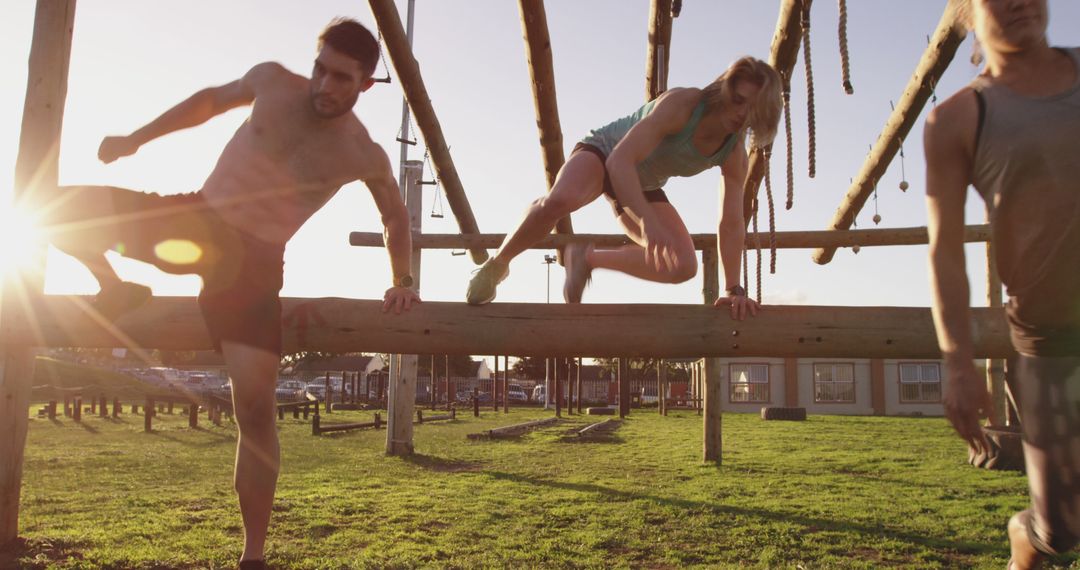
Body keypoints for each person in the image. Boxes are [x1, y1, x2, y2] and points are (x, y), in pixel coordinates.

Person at [38, 18, 420, 569]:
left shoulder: (364, 153)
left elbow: (394, 216)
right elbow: (208, 103)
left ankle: (253, 556)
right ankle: (115, 287)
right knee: (53, 208)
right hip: (194, 218)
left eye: (341, 78)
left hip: (252, 268)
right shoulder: (271, 82)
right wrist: (134, 139)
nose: (324, 86)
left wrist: (401, 280)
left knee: (257, 410)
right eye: (319, 69)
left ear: (365, 84)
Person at [924, 0, 1080, 567]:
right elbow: (944, 252)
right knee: (1062, 530)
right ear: (967, 11)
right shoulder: (958, 119)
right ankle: (1027, 534)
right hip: (1048, 338)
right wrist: (958, 365)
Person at [465, 56, 782, 318]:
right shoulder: (684, 105)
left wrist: (732, 288)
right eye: (738, 100)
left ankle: (586, 258)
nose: (742, 114)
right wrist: (647, 220)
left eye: (753, 109)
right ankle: (497, 265)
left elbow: (730, 222)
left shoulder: (734, 154)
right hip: (606, 153)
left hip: (642, 185)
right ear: (725, 91)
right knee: (561, 199)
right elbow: (619, 162)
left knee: (683, 265)